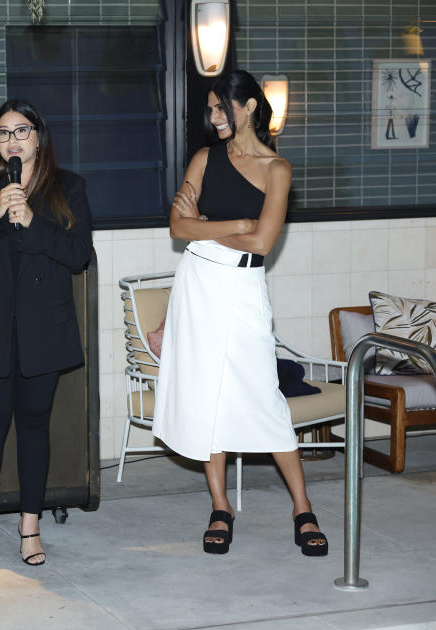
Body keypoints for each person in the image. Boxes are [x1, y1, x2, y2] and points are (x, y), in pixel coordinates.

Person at [153, 70, 328, 557]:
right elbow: (176, 225)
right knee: (208, 397)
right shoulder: (205, 158)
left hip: (243, 284)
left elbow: (262, 241)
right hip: (199, 282)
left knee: (263, 396)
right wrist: (234, 223)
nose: (212, 119)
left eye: (219, 108)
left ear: (248, 106)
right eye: (209, 110)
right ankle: (220, 506)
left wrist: (205, 226)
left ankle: (303, 507)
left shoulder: (278, 170)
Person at [0, 98, 93, 573]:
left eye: (22, 130)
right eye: (4, 133)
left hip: (42, 333)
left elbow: (78, 255)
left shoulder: (67, 186)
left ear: (39, 136)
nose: (13, 140)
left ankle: (30, 527)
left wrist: (32, 221)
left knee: (34, 428)